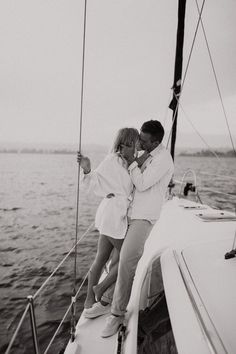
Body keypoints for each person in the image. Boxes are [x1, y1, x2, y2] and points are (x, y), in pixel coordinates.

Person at [97, 120, 174, 337]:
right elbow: (126, 179)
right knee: (116, 258)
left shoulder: (163, 160)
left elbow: (141, 183)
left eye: (144, 140)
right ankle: (106, 299)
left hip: (143, 217)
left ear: (156, 142)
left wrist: (131, 160)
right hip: (128, 213)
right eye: (140, 136)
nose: (139, 141)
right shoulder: (144, 153)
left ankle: (117, 314)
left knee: (128, 260)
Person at [77, 127, 147, 318]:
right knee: (129, 258)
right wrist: (87, 169)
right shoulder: (113, 160)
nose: (139, 145)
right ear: (129, 142)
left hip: (114, 216)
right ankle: (101, 289)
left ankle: (88, 302)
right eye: (137, 141)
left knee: (101, 258)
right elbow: (95, 180)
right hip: (113, 216)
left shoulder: (127, 161)